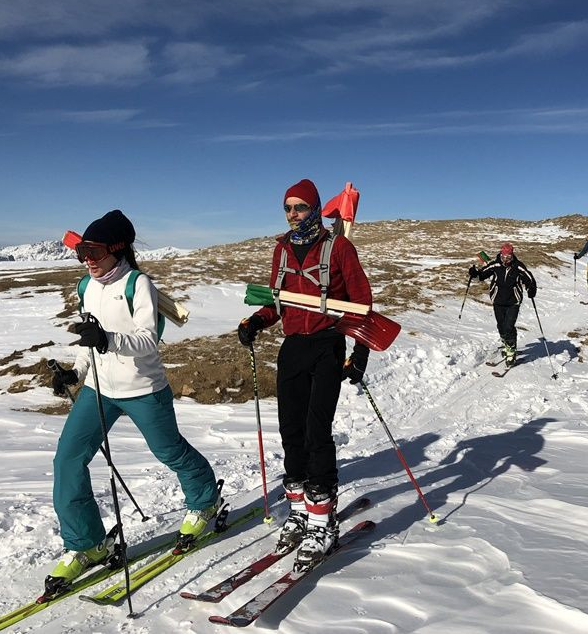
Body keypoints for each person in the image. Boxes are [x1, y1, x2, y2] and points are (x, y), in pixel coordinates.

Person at [47, 210, 219, 590]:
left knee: (170, 451)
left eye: (94, 251)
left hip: (143, 389)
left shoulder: (138, 285)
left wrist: (108, 340)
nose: (88, 259)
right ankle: (87, 544)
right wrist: (75, 373)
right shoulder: (86, 287)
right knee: (67, 460)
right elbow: (88, 337)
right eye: (82, 252)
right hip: (98, 390)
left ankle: (206, 501)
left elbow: (147, 340)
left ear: (117, 249)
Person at [237, 179, 372, 571]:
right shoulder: (281, 249)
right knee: (290, 430)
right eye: (288, 208)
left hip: (327, 344)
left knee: (316, 431)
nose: (293, 214)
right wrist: (257, 321)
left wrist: (360, 351)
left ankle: (321, 520)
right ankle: (299, 512)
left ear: (314, 209)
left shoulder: (339, 247)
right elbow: (277, 301)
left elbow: (361, 302)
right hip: (293, 347)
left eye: (300, 208)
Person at [470, 242, 537, 366]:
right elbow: (482, 274)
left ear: (512, 255)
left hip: (513, 302)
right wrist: (475, 273)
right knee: (501, 327)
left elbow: (529, 278)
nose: (506, 259)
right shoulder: (495, 265)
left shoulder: (518, 266)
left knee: (508, 327)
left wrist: (531, 288)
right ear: (501, 254)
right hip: (498, 301)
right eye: (504, 256)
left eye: (509, 257)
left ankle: (511, 351)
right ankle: (507, 345)